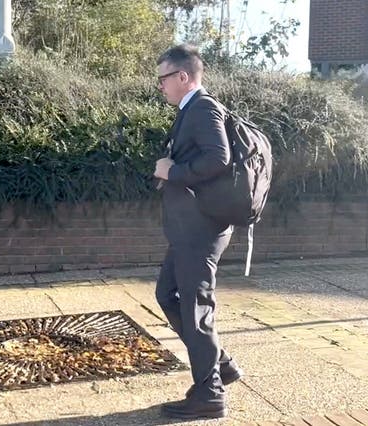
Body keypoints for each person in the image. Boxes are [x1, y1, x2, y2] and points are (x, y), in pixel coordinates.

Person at [152, 44, 243, 420]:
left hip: (201, 230)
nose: (160, 86)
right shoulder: (191, 110)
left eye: (163, 78)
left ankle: (209, 394)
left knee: (195, 307)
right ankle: (220, 364)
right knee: (166, 294)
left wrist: (171, 172)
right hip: (190, 228)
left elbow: (218, 158)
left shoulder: (202, 107)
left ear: (183, 77)